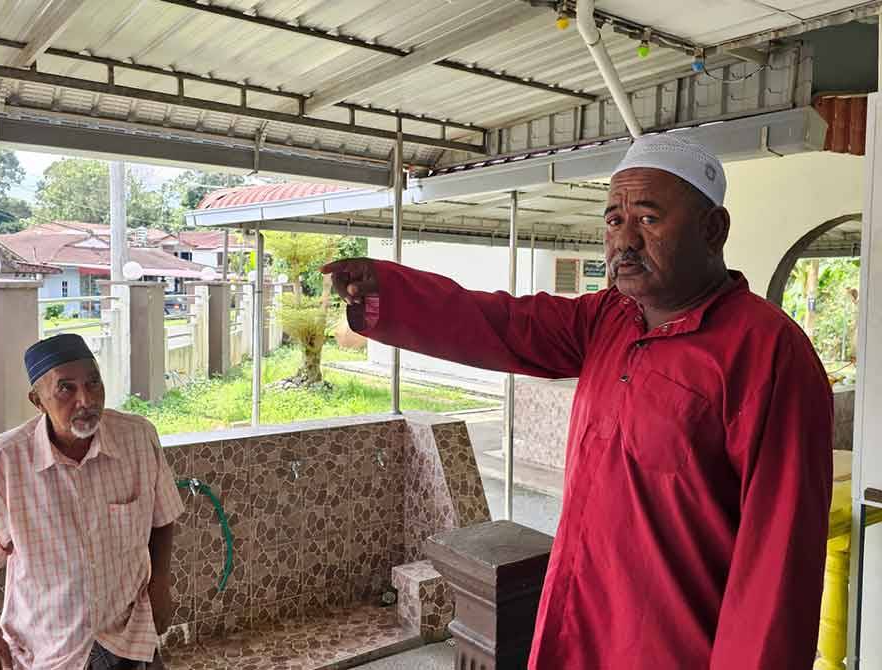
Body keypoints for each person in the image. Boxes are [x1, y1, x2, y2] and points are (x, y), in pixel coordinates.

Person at [323, 134, 834, 669]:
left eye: (649, 219)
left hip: (675, 648)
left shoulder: (768, 354)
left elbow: (778, 567)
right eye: (614, 221)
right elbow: (504, 324)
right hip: (577, 624)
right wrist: (389, 292)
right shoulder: (608, 318)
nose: (625, 241)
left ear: (714, 230)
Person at [0, 334, 185, 670]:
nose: (85, 400)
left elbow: (162, 518)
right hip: (49, 646)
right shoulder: (6, 460)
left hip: (129, 631)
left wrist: (161, 585)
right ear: (37, 400)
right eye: (66, 388)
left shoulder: (138, 438)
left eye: (93, 383)